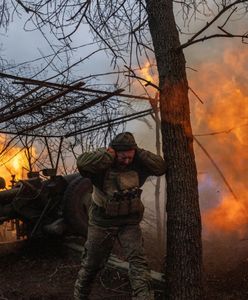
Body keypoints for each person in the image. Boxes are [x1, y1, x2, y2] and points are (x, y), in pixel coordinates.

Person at [74, 132, 166, 300]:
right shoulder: (101, 166)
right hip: (101, 223)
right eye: (123, 158)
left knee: (139, 265)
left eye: (130, 157)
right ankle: (80, 297)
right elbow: (81, 163)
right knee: (91, 265)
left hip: (129, 222)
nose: (126, 161)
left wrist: (139, 153)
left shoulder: (138, 163)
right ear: (114, 152)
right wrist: (106, 155)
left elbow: (161, 167)